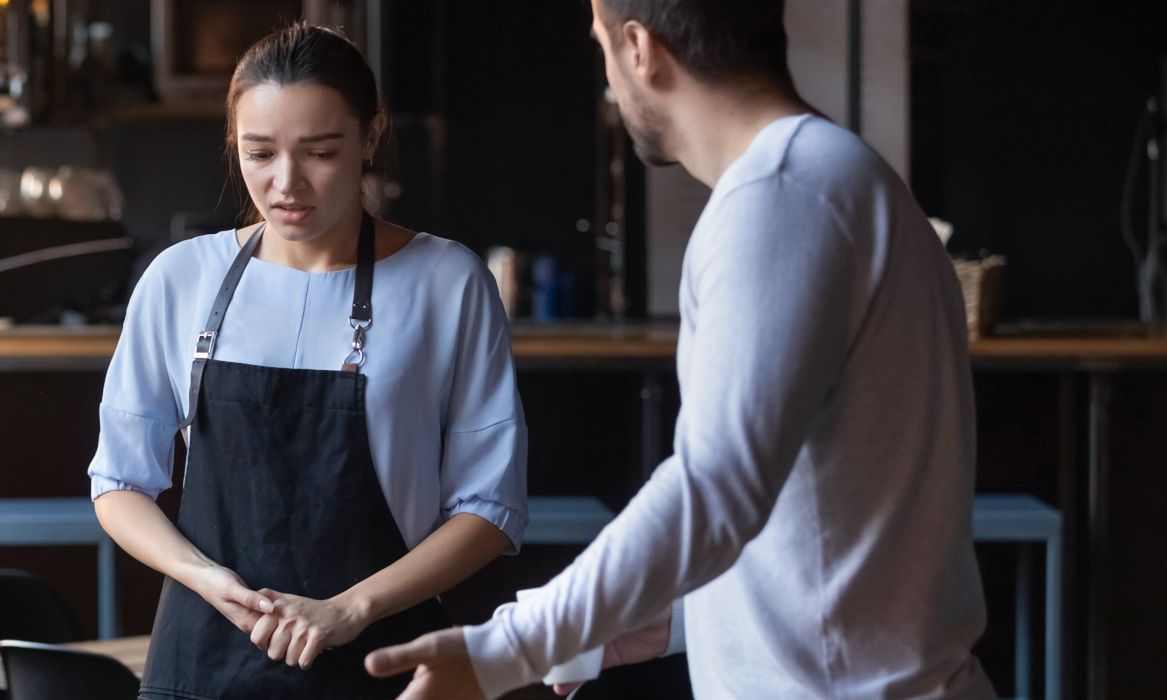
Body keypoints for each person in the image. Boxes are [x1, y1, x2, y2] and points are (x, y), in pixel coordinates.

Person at [364, 0, 997, 698]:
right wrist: (658, 621)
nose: (607, 75)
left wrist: (508, 648)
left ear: (639, 48)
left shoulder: (778, 195)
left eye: (601, 45)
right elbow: (820, 535)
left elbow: (714, 485)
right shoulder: (833, 177)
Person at [87, 23, 527, 699]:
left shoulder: (447, 281)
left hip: (383, 665)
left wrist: (350, 608)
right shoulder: (181, 279)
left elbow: (489, 510)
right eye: (258, 154)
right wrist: (204, 578)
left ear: (371, 137)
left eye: (320, 152)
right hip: (200, 664)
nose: (286, 184)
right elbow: (118, 482)